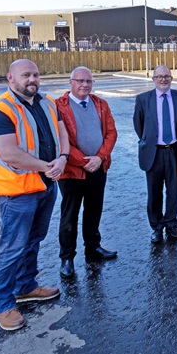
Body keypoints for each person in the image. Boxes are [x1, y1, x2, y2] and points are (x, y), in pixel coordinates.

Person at [0, 59, 69, 331]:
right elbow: (8, 153)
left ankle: (25, 286)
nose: (32, 79)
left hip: (46, 185)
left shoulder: (48, 103)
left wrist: (63, 158)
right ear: (11, 78)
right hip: (17, 191)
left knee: (34, 239)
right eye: (26, 75)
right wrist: (47, 166)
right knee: (12, 247)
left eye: (36, 74)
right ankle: (3, 305)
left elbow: (62, 134)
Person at [54, 66, 118, 278]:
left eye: (89, 81)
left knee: (94, 210)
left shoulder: (100, 104)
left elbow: (111, 133)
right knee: (69, 215)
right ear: (70, 82)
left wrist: (99, 158)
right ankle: (67, 258)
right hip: (72, 171)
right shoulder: (58, 107)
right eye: (80, 81)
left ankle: (93, 248)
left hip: (98, 167)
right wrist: (83, 161)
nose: (85, 85)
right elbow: (60, 140)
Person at [133, 66, 177, 244]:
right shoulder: (143, 99)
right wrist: (149, 141)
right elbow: (139, 125)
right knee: (154, 192)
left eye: (166, 77)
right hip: (153, 152)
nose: (163, 80)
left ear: (171, 78)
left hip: (174, 150)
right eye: (159, 77)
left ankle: (171, 224)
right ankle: (157, 227)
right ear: (154, 79)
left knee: (173, 191)